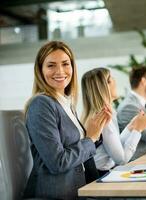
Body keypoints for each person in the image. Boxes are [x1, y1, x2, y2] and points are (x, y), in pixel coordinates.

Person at [23, 41, 111, 199]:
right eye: (51, 65)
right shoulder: (41, 104)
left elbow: (77, 149)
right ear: (40, 71)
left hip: (80, 190)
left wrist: (95, 133)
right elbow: (58, 162)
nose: (60, 71)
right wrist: (90, 138)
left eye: (65, 64)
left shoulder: (66, 103)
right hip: (55, 194)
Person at [81, 67, 146, 174]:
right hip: (100, 176)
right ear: (104, 86)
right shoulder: (103, 117)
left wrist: (132, 126)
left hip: (103, 173)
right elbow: (122, 159)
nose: (115, 82)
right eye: (111, 79)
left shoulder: (102, 113)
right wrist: (138, 130)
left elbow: (115, 147)